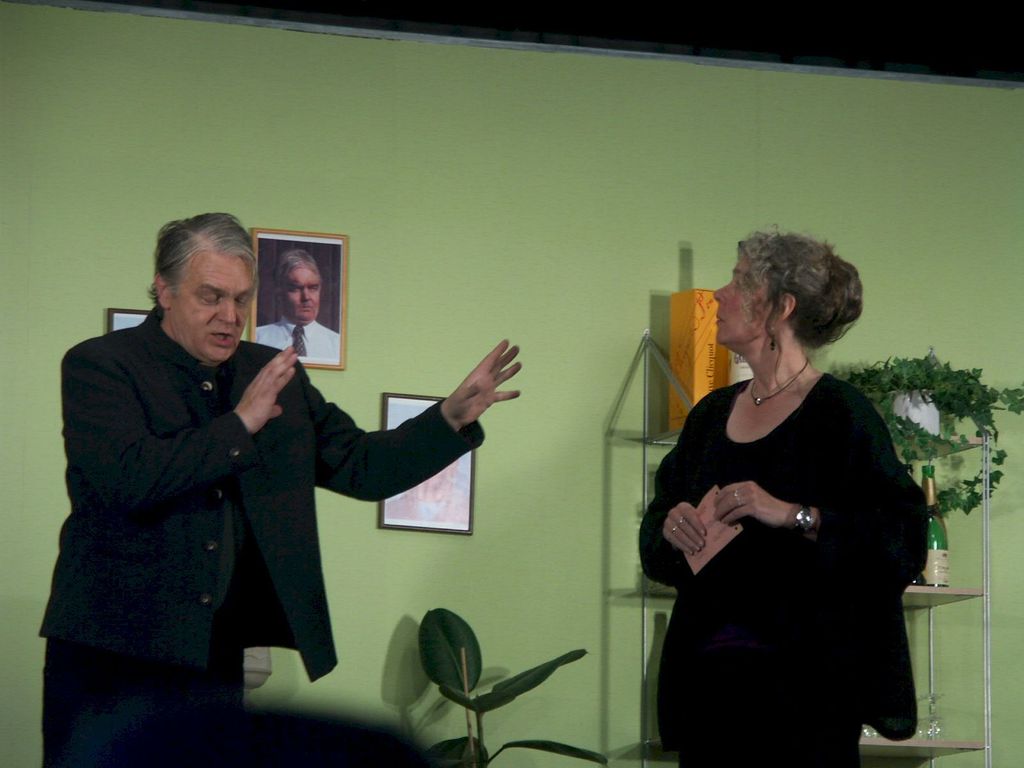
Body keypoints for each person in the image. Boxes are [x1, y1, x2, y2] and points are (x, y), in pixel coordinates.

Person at [39, 212, 522, 766]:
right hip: (110, 649)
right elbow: (128, 478)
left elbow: (361, 466)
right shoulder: (100, 364)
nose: (230, 316)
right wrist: (240, 425)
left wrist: (448, 419)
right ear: (164, 290)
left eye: (241, 300)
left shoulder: (272, 372)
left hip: (215, 654)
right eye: (211, 297)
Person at [639, 231, 927, 768]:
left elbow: (901, 541)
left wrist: (794, 515)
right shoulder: (708, 417)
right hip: (709, 695)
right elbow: (658, 535)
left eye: (739, 281)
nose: (719, 295)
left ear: (780, 307)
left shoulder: (841, 414)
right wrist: (671, 527)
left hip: (809, 699)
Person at [255, 248, 341, 364]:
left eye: (313, 288)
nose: (306, 297)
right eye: (296, 288)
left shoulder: (337, 344)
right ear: (279, 293)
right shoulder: (258, 338)